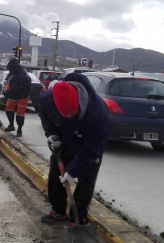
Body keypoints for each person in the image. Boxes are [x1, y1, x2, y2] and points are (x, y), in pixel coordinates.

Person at [38, 73, 111, 225]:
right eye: (64, 114)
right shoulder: (48, 99)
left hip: (89, 143)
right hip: (64, 140)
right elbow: (44, 115)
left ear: (79, 103)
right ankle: (58, 210)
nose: (68, 116)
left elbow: (92, 147)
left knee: (87, 178)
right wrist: (51, 133)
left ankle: (78, 217)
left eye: (72, 113)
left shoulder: (97, 112)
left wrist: (73, 171)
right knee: (56, 172)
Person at [0, 58, 31, 137]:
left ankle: (19, 129)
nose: (10, 70)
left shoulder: (21, 75)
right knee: (8, 108)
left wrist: (4, 94)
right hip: (14, 94)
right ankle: (11, 125)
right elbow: (10, 74)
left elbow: (14, 88)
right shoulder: (15, 70)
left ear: (14, 67)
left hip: (23, 95)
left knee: (20, 113)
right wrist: (6, 80)